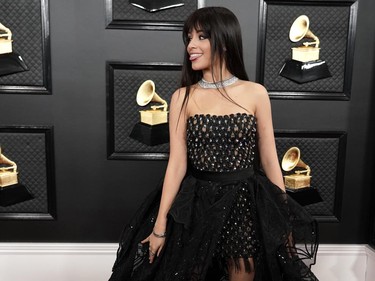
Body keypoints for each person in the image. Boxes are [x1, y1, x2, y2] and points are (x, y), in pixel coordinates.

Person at [109, 6, 319, 281]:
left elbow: (269, 159)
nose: (191, 46)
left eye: (201, 37)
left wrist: (282, 218)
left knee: (243, 274)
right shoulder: (181, 97)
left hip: (244, 205)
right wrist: (160, 225)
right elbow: (177, 163)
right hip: (196, 205)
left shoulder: (256, 93)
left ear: (224, 40)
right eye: (188, 38)